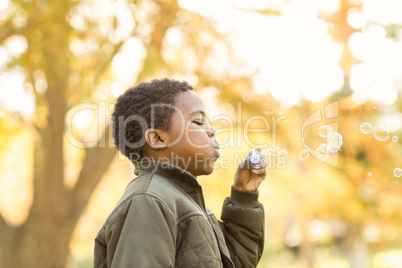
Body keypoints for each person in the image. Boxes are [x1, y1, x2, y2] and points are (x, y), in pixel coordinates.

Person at [94, 78, 266, 267]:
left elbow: (235, 262)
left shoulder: (182, 199)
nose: (211, 131)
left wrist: (243, 194)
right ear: (157, 138)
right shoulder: (149, 200)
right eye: (198, 121)